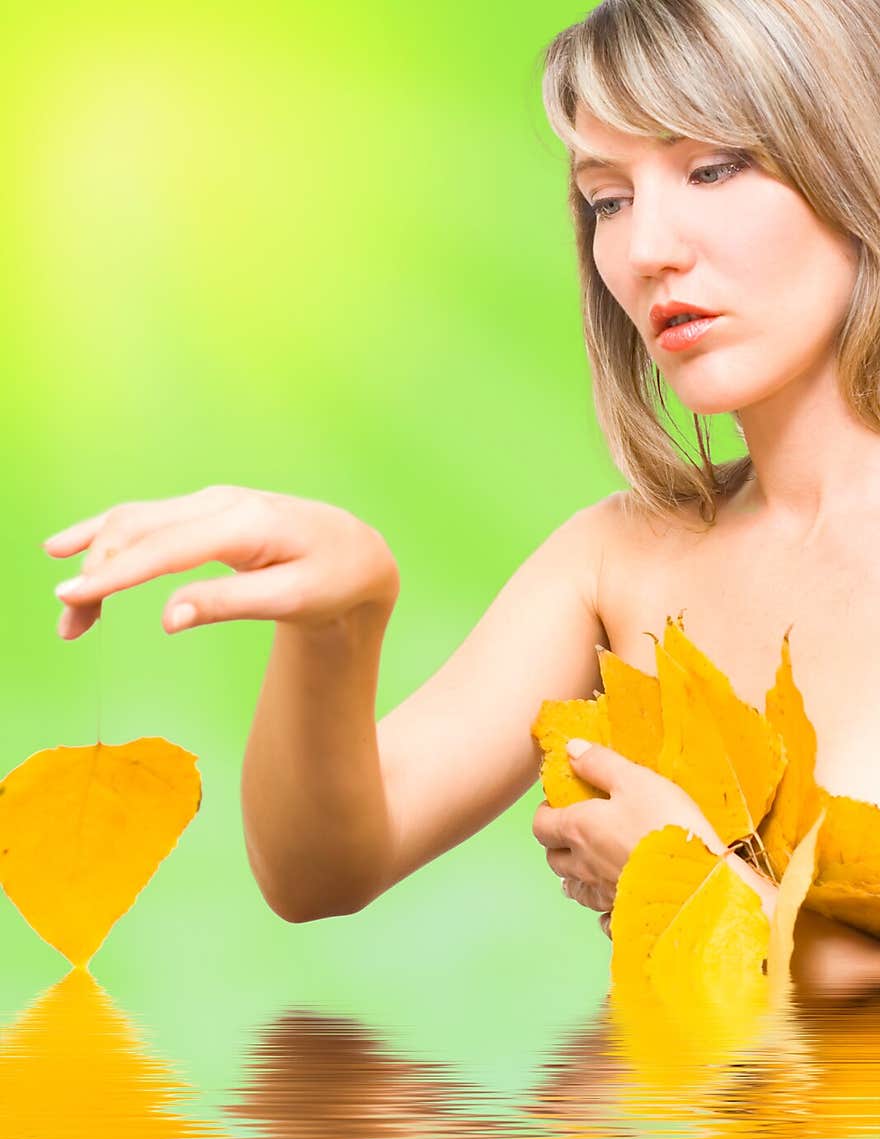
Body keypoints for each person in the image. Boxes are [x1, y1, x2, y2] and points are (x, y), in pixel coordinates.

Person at [42, 0, 880, 984]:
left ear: (849, 152)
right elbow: (322, 871)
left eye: (712, 168)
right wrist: (338, 625)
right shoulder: (616, 558)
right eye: (606, 198)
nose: (648, 247)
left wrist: (709, 892)